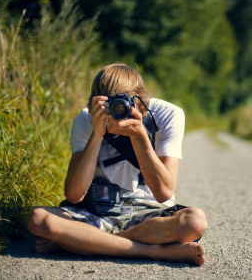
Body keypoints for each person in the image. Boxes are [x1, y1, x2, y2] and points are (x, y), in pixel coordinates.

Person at [26, 63, 208, 266]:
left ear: (140, 101)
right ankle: (155, 252)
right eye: (108, 105)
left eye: (122, 105)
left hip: (150, 217)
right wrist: (96, 134)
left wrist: (139, 135)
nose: (116, 112)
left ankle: (84, 242)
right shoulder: (86, 120)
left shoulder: (167, 115)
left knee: (194, 222)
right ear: (95, 103)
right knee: (38, 218)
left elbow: (164, 192)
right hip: (99, 213)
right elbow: (75, 195)